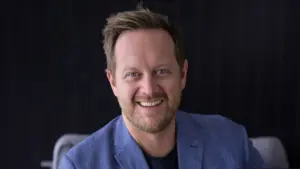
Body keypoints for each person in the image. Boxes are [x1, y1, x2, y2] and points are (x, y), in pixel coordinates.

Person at [59, 7, 264, 169]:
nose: (148, 89)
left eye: (162, 71)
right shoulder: (79, 165)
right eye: (133, 74)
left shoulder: (233, 142)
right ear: (113, 82)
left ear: (183, 74)